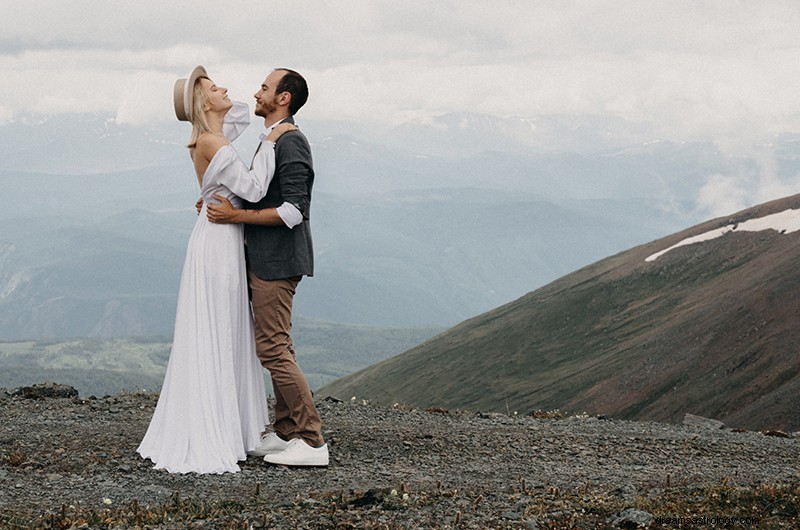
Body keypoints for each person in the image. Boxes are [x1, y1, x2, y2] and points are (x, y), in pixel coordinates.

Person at [136, 66, 294, 474]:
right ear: (204, 103)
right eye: (214, 87)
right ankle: (216, 429)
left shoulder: (210, 136)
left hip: (218, 235)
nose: (226, 88)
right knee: (220, 327)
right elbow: (256, 189)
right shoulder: (211, 140)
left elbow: (238, 112)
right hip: (220, 242)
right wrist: (271, 138)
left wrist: (208, 102)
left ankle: (227, 425)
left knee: (223, 327)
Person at [206, 68, 328, 467]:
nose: (256, 92)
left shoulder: (291, 143)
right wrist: (227, 203)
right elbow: (260, 192)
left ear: (283, 98)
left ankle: (311, 441)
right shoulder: (273, 138)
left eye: (264, 87)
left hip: (278, 261)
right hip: (267, 258)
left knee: (273, 349)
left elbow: (294, 211)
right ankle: (286, 432)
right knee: (277, 344)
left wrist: (234, 219)